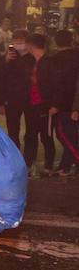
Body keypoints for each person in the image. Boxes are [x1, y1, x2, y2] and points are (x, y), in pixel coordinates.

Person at [20, 33, 56, 176]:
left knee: (46, 136)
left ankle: (48, 166)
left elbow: (56, 85)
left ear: (31, 45)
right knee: (30, 135)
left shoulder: (49, 62)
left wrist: (54, 104)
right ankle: (28, 164)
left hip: (45, 105)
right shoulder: (27, 61)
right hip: (30, 105)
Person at [45, 29, 79, 175]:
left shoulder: (55, 60)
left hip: (66, 106)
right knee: (71, 136)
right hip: (72, 104)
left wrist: (56, 104)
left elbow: (58, 85)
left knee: (66, 136)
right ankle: (66, 164)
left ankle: (69, 165)